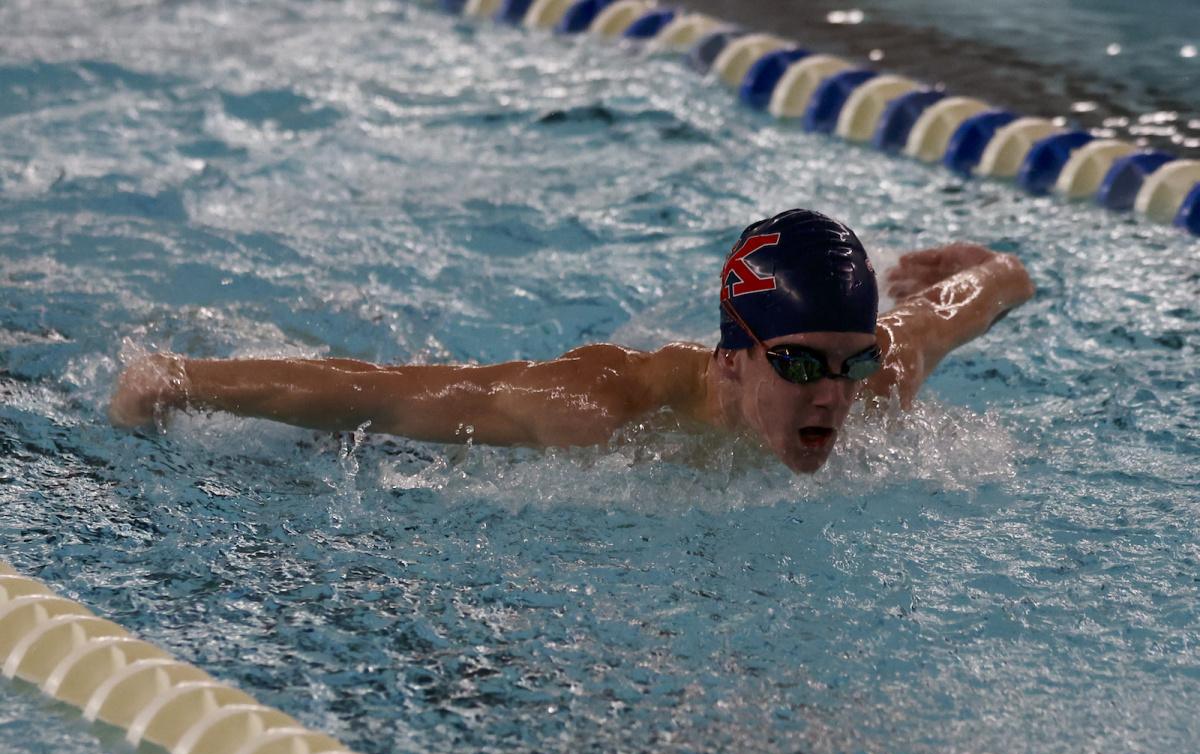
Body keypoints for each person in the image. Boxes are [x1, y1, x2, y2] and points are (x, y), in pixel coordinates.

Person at [109, 209, 1034, 473]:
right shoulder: (600, 408)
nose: (836, 394)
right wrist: (176, 378)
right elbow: (381, 392)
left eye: (853, 358)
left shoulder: (877, 382)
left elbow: (983, 292)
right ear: (732, 356)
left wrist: (982, 264)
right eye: (798, 365)